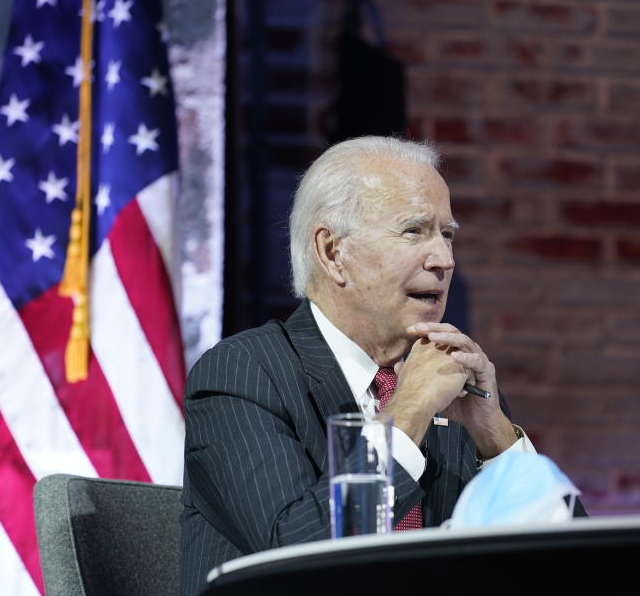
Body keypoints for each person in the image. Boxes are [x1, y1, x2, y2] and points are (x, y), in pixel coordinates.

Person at [180, 137, 570, 595]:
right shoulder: (242, 375)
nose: (444, 259)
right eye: (414, 231)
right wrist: (405, 415)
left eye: (447, 234)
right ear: (332, 252)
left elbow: (574, 570)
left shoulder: (450, 378)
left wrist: (498, 439)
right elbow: (297, 557)